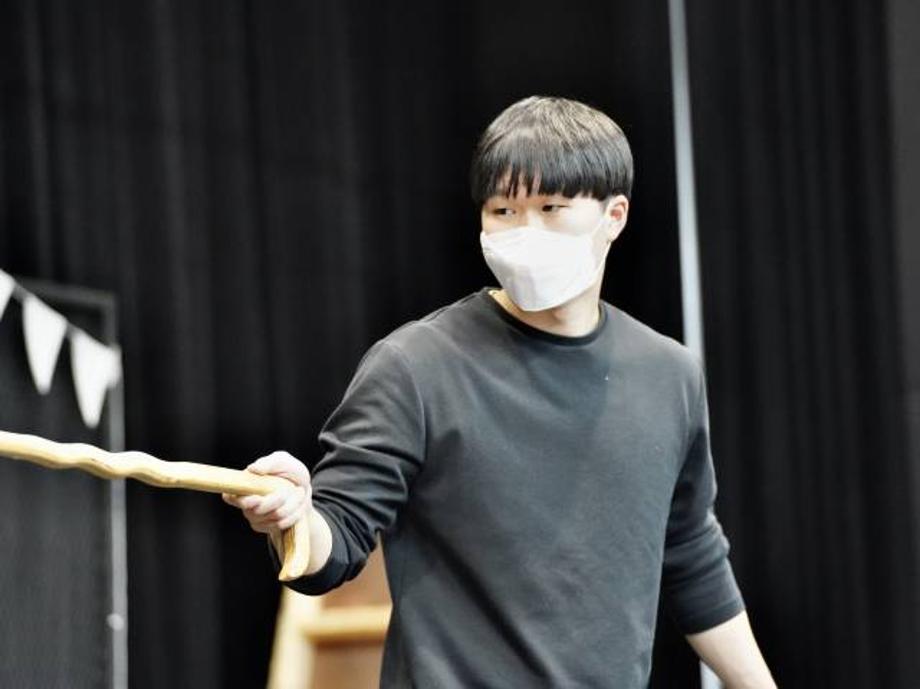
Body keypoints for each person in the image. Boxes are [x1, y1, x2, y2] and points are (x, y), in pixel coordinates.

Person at [223, 95, 777, 688]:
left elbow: (690, 552)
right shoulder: (416, 366)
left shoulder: (670, 374)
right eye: (503, 211)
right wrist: (292, 518)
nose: (524, 232)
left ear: (614, 216)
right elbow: (336, 540)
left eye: (551, 207)